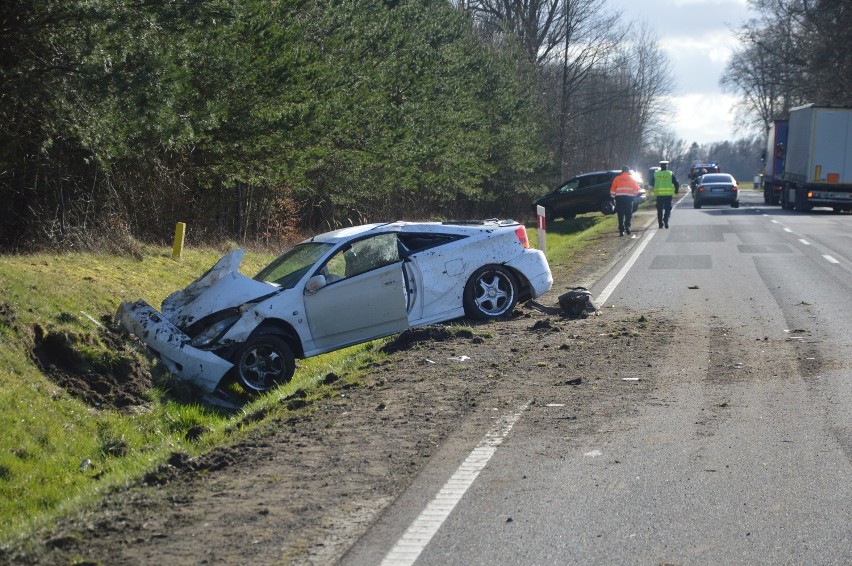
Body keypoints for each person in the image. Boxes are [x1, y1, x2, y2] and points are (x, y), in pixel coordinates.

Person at [609, 166, 641, 236]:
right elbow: (636, 189)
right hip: (629, 198)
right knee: (628, 213)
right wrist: (634, 195)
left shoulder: (617, 178)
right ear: (628, 171)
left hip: (619, 198)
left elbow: (613, 189)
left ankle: (621, 230)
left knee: (620, 214)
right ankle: (627, 226)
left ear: (622, 171)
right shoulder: (632, 178)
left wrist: (613, 197)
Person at [652, 160, 679, 229]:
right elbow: (676, 183)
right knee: (668, 209)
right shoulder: (670, 174)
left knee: (659, 210)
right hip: (668, 195)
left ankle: (660, 223)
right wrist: (676, 190)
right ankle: (666, 220)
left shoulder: (656, 174)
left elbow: (651, 183)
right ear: (667, 166)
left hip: (659, 195)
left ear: (660, 166)